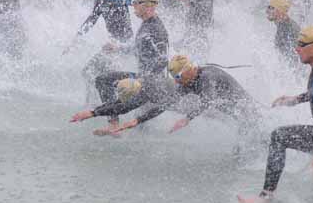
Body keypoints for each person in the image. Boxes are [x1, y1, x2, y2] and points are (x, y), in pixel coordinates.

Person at [238, 25, 313, 203]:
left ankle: (265, 197)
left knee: (279, 136)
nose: (296, 48)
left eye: (302, 44)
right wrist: (294, 99)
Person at [70, 0, 170, 135]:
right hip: (146, 79)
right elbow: (140, 48)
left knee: (141, 125)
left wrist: (144, 80)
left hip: (151, 82)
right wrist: (118, 48)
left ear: (148, 6)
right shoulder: (147, 24)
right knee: (104, 80)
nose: (133, 6)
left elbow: (163, 60)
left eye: (136, 3)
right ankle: (114, 125)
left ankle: (117, 127)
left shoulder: (156, 28)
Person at [111, 55, 259, 140]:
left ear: (189, 69)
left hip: (245, 107)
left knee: (253, 136)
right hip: (232, 110)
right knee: (242, 141)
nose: (176, 81)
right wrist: (136, 121)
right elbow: (165, 104)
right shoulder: (188, 82)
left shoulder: (207, 77)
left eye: (178, 76)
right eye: (174, 77)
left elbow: (208, 100)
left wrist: (186, 119)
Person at [69, 0, 134, 92]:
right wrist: (77, 37)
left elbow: (138, 2)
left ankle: (115, 102)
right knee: (89, 72)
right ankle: (95, 102)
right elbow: (92, 19)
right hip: (113, 45)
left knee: (94, 73)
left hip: (121, 45)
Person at [266, 0, 300, 64]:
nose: (267, 11)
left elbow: (294, 60)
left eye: (271, 8)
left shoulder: (289, 29)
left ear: (280, 11)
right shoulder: (282, 25)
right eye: (268, 7)